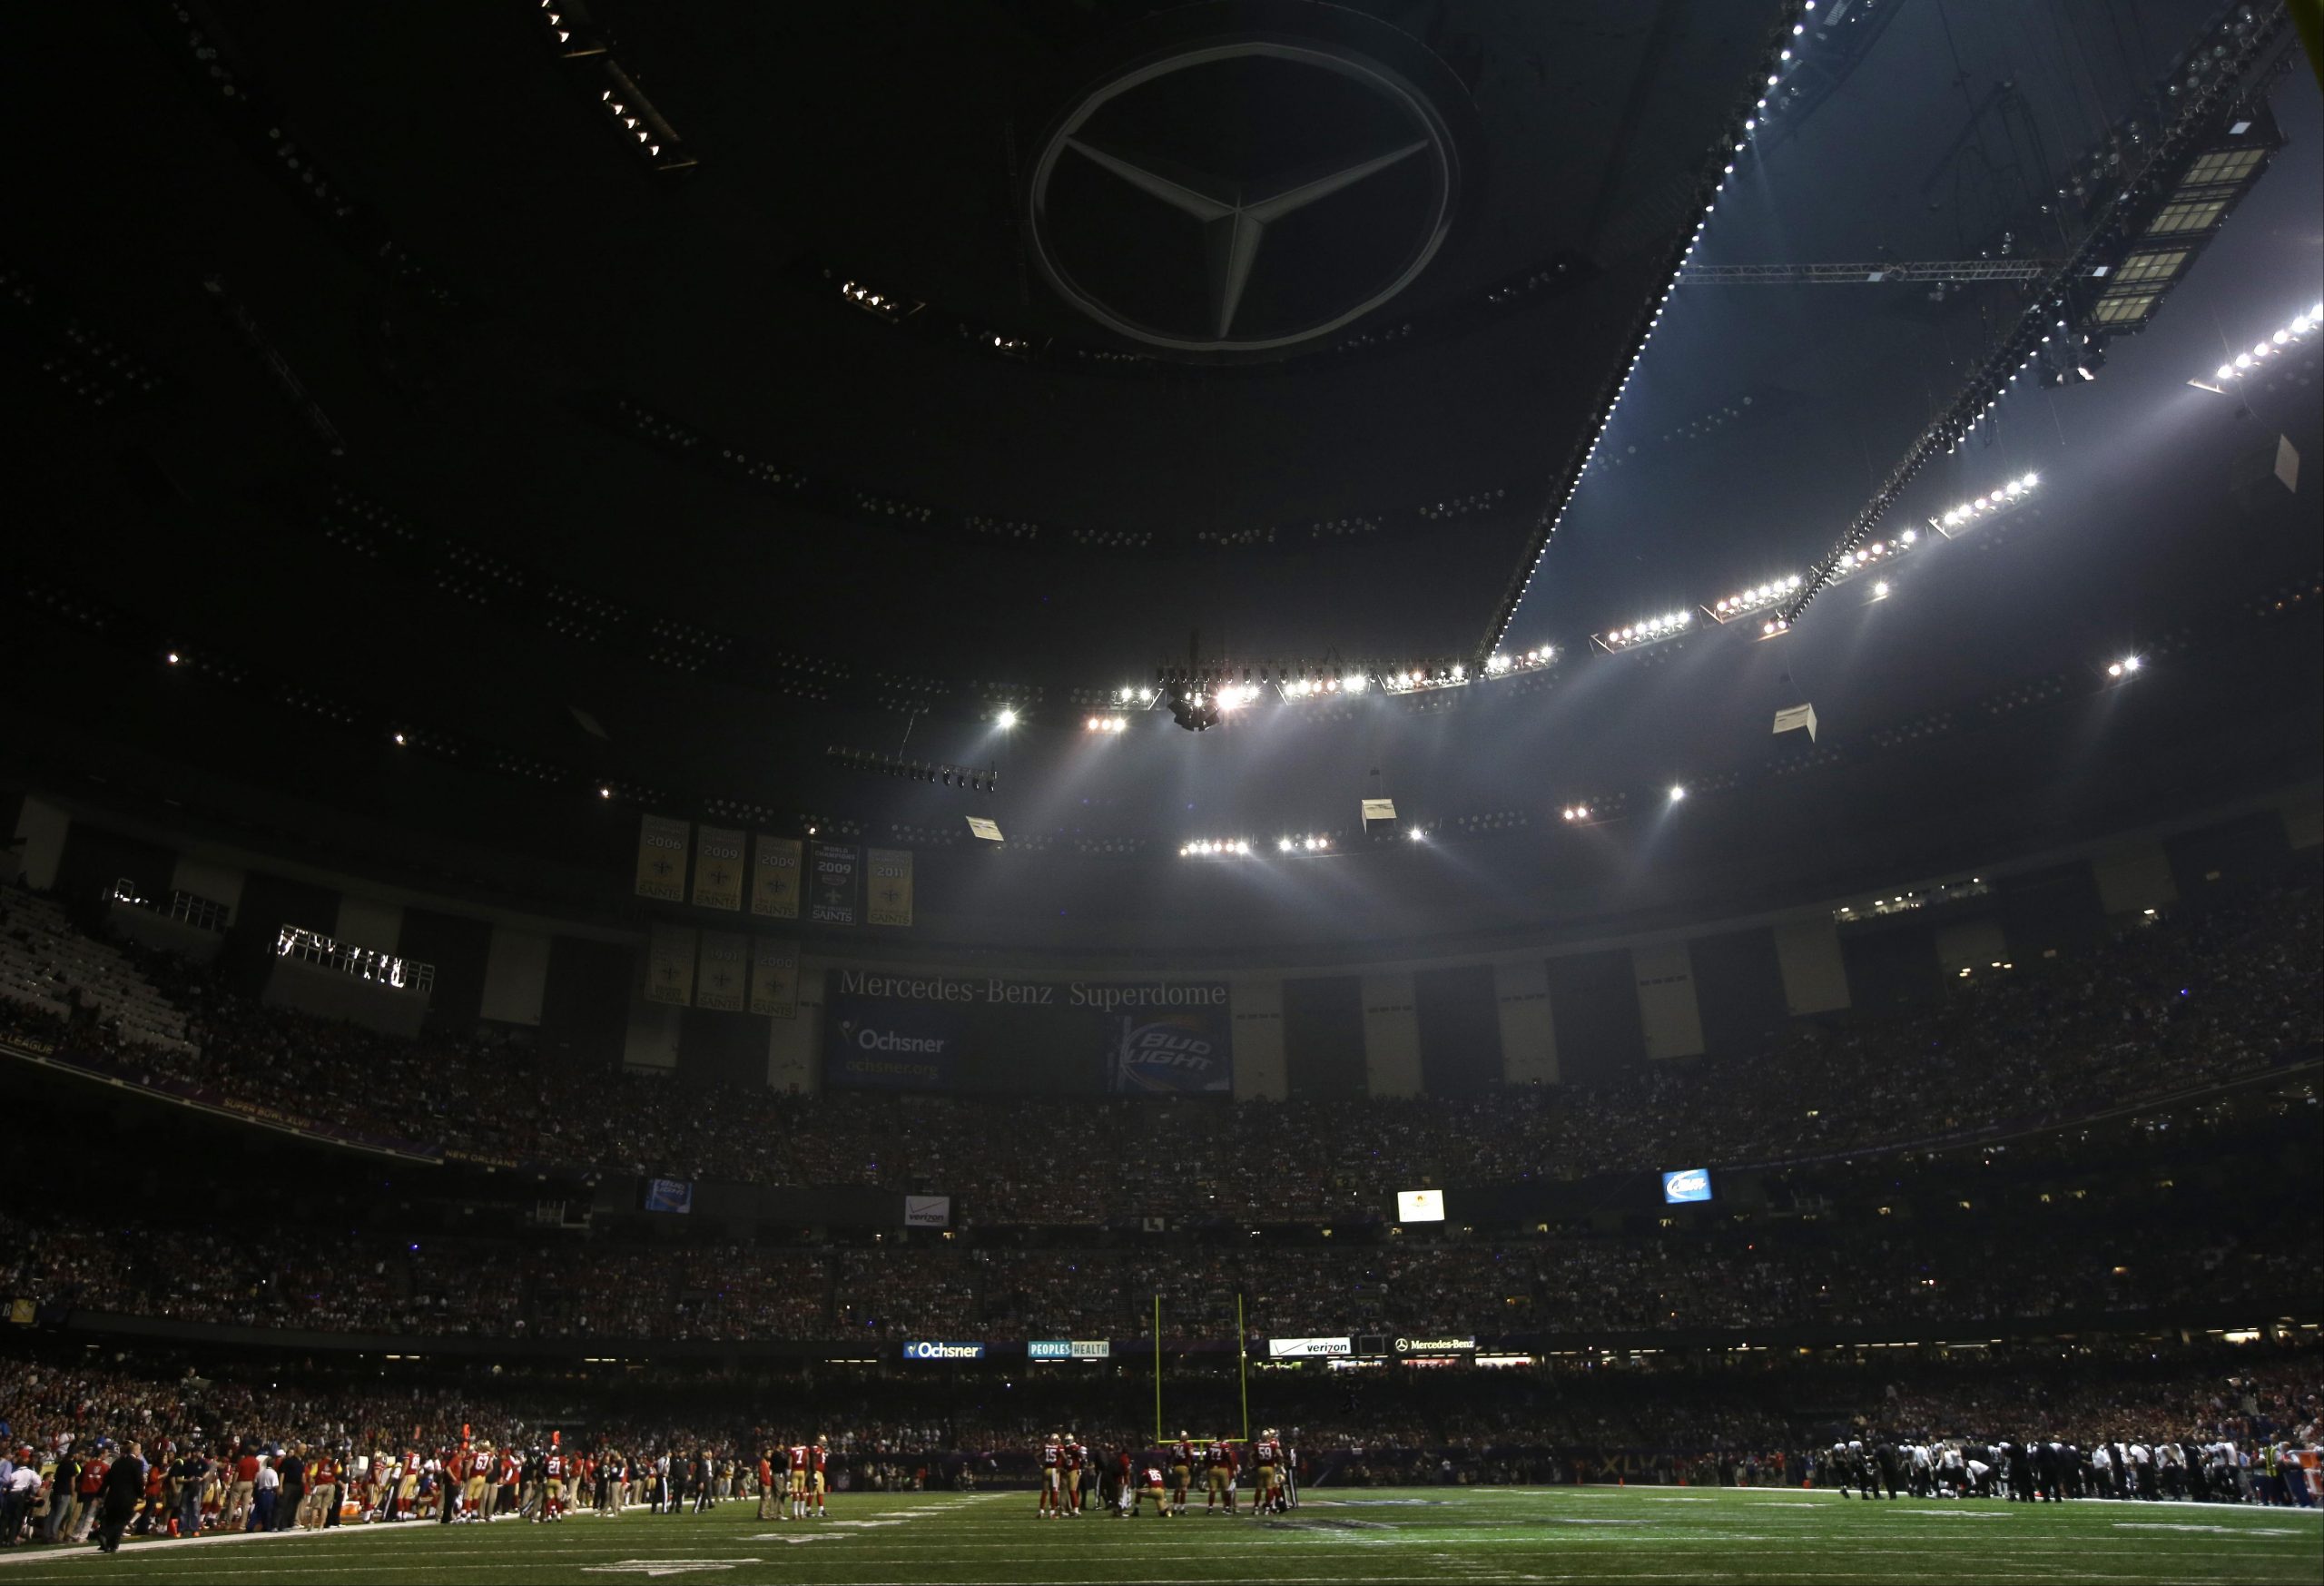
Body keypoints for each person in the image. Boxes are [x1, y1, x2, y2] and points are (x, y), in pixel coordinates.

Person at [95, 1442, 147, 1555]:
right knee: (122, 1520)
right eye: (139, 1449)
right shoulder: (137, 1463)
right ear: (134, 1451)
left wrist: (100, 1495)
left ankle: (111, 1544)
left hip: (113, 1496)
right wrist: (142, 1494)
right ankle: (105, 1534)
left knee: (113, 1519)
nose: (140, 1452)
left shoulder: (116, 1463)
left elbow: (106, 1480)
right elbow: (138, 1481)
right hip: (127, 1497)